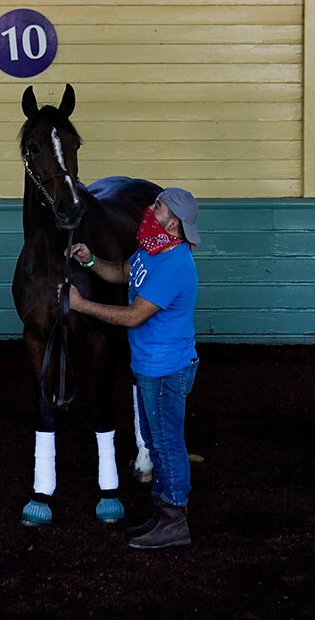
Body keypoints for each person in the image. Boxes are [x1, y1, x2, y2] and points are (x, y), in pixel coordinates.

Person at [66, 187, 200, 550]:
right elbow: (124, 272)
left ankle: (175, 520)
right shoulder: (151, 250)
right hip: (149, 366)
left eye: (157, 206)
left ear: (172, 223)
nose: (148, 209)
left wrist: (80, 305)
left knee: (168, 445)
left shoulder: (175, 265)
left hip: (166, 369)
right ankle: (163, 514)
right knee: (156, 444)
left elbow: (134, 315)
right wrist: (90, 260)